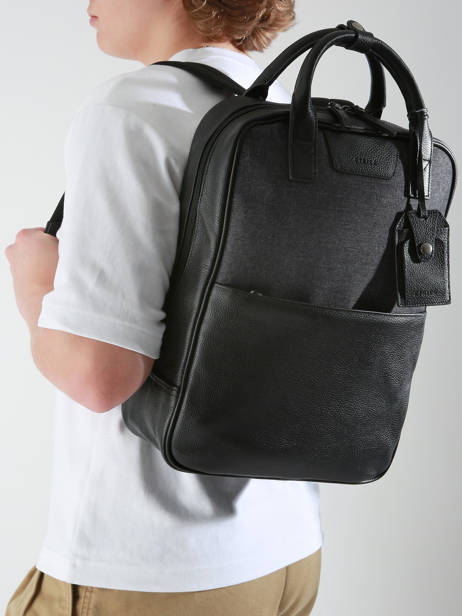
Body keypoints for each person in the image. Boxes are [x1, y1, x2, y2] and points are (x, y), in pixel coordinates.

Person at [4, 1, 323, 614]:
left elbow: (100, 377)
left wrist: (35, 286)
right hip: (285, 549)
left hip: (153, 567)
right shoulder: (286, 104)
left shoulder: (134, 108)